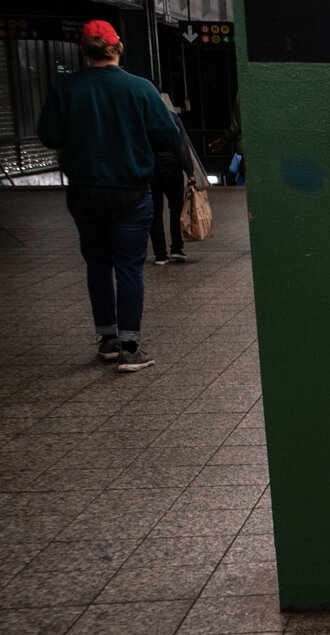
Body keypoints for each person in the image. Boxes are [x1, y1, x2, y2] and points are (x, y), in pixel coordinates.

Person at [36, 19, 178, 372]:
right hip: (130, 190)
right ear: (119, 48)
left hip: (84, 189)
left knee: (98, 264)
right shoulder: (140, 88)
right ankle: (131, 347)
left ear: (83, 50)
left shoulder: (65, 89)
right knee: (130, 266)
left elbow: (49, 135)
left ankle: (108, 340)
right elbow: (168, 134)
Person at [149, 93, 195, 265]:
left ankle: (160, 254)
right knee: (176, 207)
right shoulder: (172, 118)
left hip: (150, 169)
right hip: (171, 167)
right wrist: (189, 171)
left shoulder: (142, 119)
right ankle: (176, 248)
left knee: (154, 211)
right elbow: (182, 146)